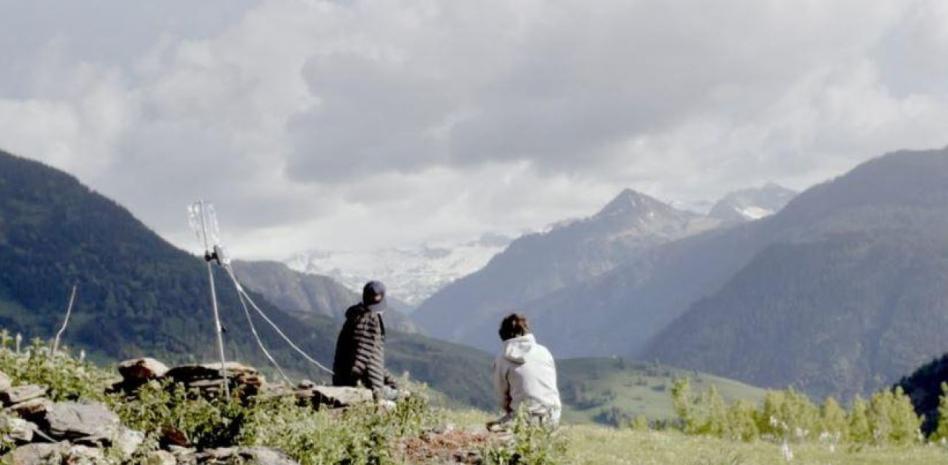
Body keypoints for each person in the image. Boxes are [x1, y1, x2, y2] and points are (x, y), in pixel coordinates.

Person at [488, 313, 562, 430]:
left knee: (492, 429)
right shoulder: (544, 351)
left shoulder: (502, 359)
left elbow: (502, 396)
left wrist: (510, 412)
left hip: (525, 419)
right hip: (552, 416)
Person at [332, 280, 399, 401]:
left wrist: (390, 380)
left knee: (398, 391)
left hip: (342, 380)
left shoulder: (355, 316)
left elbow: (371, 358)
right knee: (406, 396)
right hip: (367, 387)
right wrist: (373, 390)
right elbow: (361, 360)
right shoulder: (370, 320)